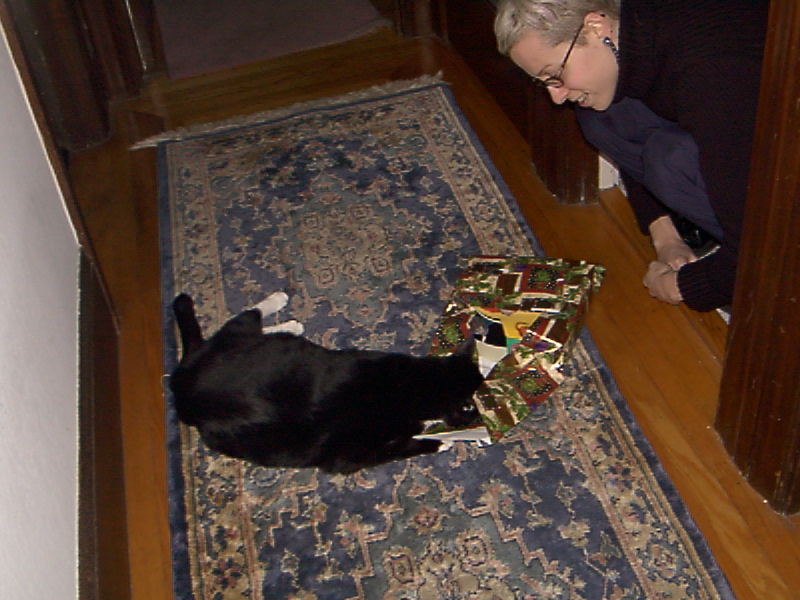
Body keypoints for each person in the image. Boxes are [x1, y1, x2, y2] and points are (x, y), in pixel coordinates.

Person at [494, 0, 769, 311]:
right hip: (735, 139)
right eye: (543, 82)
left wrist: (685, 286)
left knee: (668, 159)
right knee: (601, 114)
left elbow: (765, 242)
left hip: (780, 206)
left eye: (556, 74)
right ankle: (694, 226)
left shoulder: (714, 76)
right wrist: (665, 238)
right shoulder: (634, 27)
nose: (556, 97)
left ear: (595, 26)